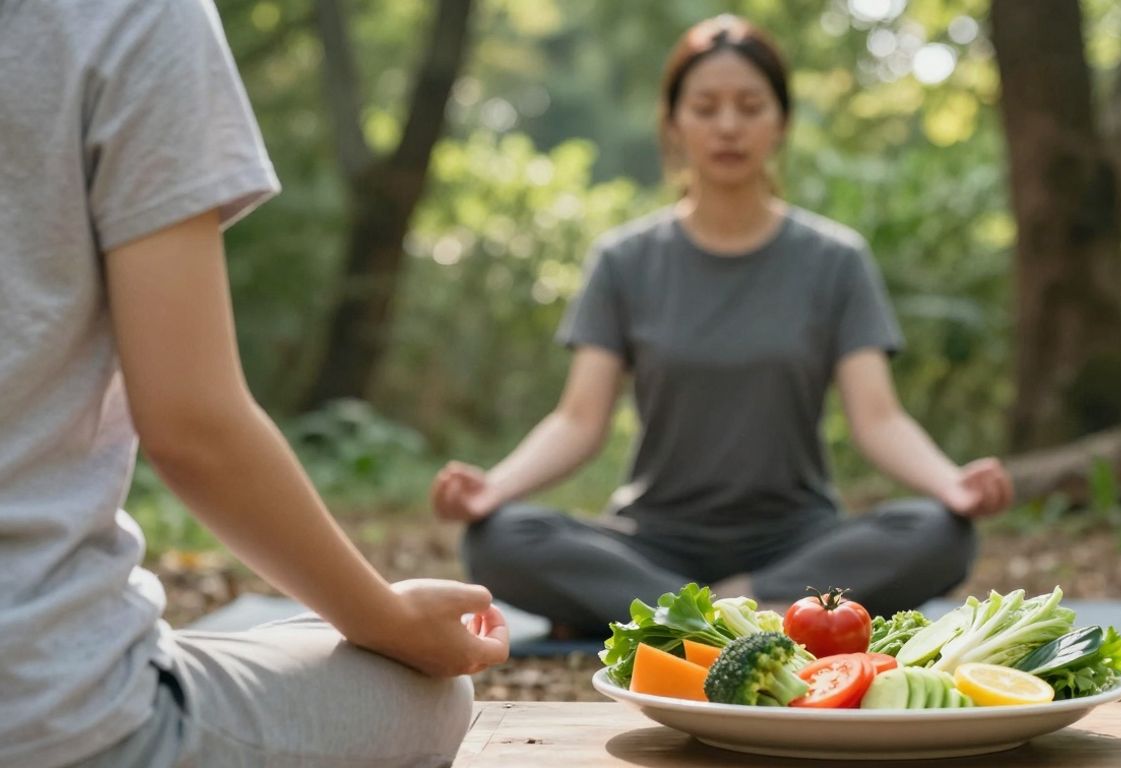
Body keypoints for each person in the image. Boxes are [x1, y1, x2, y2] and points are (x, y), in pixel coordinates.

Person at [0, 1, 507, 766]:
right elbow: (192, 427)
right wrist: (390, 621)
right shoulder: (133, 18)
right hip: (47, 714)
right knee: (426, 691)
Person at [432, 14, 1014, 637]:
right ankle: (745, 617)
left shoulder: (835, 260)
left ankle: (688, 617)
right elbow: (578, 420)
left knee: (940, 535)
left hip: (798, 542)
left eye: (750, 106)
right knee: (496, 539)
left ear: (781, 121)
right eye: (706, 107)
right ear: (674, 123)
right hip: (653, 541)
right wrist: (492, 488)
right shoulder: (624, 260)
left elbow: (879, 419)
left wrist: (951, 485)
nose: (729, 125)